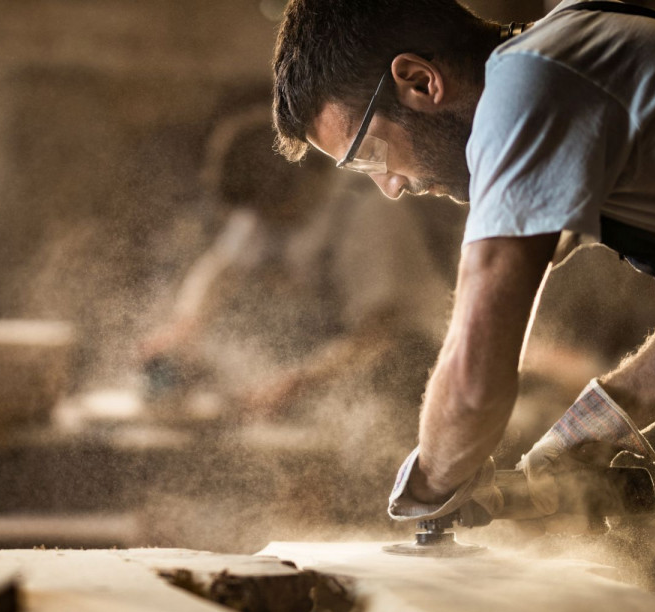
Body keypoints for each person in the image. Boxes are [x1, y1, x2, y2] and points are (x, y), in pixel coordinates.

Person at [271, 0, 655, 612]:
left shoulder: (527, 86)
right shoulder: (577, 48)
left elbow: (474, 382)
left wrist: (428, 488)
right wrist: (602, 418)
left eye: (368, 155)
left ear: (420, 80)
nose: (390, 186)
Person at [141, 107, 456, 447]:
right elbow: (220, 270)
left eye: (271, 212)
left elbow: (379, 332)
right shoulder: (268, 206)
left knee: (375, 448)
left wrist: (298, 383)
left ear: (302, 182)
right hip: (339, 361)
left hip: (413, 366)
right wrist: (185, 326)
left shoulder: (369, 211)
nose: (261, 223)